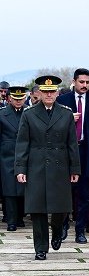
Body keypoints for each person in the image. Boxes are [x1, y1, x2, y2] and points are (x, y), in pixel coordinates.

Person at [15, 75, 80, 260]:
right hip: (37, 165)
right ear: (39, 93)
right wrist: (20, 169)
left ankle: (58, 229)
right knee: (38, 209)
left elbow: (72, 144)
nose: (49, 94)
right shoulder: (29, 114)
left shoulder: (66, 114)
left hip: (60, 166)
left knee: (60, 208)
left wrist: (75, 169)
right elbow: (22, 143)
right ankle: (41, 248)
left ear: (57, 92)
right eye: (45, 91)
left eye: (52, 91)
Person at [57, 68, 89, 243]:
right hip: (67, 152)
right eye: (81, 82)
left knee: (85, 194)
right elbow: (53, 128)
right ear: (74, 81)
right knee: (66, 191)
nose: (85, 85)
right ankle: (62, 224)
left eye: (87, 82)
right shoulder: (62, 101)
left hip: (88, 152)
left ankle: (81, 230)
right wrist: (67, 119)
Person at [1, 86, 29, 231]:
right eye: (15, 98)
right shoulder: (2, 114)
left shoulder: (30, 113)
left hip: (26, 155)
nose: (18, 101)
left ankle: (20, 218)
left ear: (25, 98)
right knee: (10, 189)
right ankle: (11, 221)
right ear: (9, 98)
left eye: (21, 98)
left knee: (23, 188)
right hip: (7, 156)